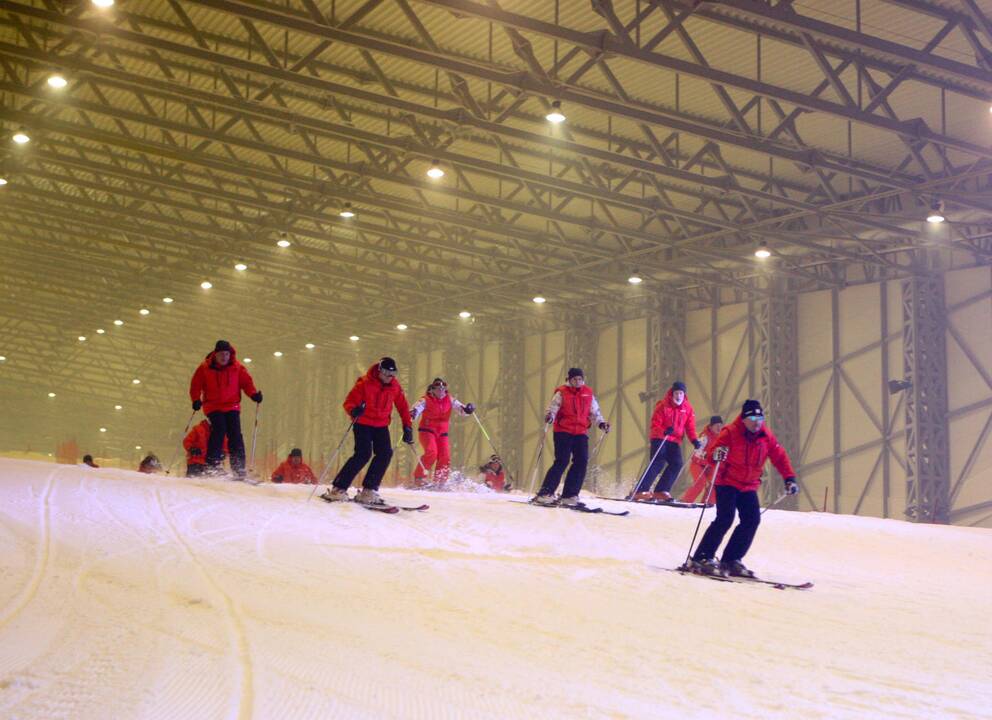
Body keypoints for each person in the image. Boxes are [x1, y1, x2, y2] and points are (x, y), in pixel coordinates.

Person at [688, 399, 799, 578]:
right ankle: (702, 557)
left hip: (748, 485)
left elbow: (779, 456)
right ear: (744, 419)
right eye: (753, 418)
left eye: (760, 418)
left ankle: (731, 559)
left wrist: (789, 478)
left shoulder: (765, 436)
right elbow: (712, 454)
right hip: (727, 482)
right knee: (725, 518)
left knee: (752, 520)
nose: (757, 422)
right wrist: (716, 455)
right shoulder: (730, 432)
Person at [321, 357, 413, 505]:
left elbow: (403, 407)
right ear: (379, 371)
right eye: (386, 373)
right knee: (363, 454)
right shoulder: (364, 383)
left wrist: (407, 426)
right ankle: (339, 488)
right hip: (363, 423)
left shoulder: (395, 387)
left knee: (385, 453)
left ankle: (369, 490)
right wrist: (354, 410)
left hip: (381, 425)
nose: (390, 377)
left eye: (393, 374)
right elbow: (349, 402)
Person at [533, 368, 610, 506]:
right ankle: (545, 493)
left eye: (580, 379)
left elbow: (594, 412)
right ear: (569, 379)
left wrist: (601, 423)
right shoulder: (562, 392)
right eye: (574, 379)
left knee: (581, 461)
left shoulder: (588, 393)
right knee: (562, 461)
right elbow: (553, 407)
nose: (577, 382)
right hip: (563, 431)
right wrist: (550, 416)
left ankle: (570, 495)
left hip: (580, 432)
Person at [188, 340, 261, 480]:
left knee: (235, 434)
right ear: (215, 354)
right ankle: (212, 465)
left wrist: (253, 394)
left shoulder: (237, 368)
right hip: (213, 406)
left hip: (232, 405)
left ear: (230, 354)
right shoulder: (205, 368)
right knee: (219, 430)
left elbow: (246, 383)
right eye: (221, 354)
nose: (224, 357)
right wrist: (196, 399)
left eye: (226, 354)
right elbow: (195, 385)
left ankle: (238, 467)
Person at [633, 381, 699, 501]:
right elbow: (655, 423)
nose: (678, 396)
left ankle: (661, 490)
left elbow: (690, 427)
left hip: (675, 440)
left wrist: (694, 440)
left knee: (677, 463)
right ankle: (640, 490)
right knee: (658, 462)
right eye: (676, 393)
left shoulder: (687, 409)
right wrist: (664, 431)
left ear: (684, 394)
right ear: (672, 393)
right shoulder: (663, 405)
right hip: (660, 438)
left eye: (681, 393)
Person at [409, 377, 475, 488]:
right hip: (427, 430)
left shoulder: (449, 399)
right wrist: (413, 413)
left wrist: (468, 409)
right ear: (432, 389)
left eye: (443, 388)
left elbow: (462, 410)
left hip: (442, 433)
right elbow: (416, 409)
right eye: (438, 388)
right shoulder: (426, 399)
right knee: (432, 452)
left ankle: (440, 481)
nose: (441, 391)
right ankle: (419, 478)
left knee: (445, 455)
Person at [679, 415, 724, 505]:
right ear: (711, 426)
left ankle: (708, 502)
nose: (719, 427)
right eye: (716, 425)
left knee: (716, 482)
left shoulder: (721, 438)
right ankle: (686, 501)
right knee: (701, 482)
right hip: (698, 464)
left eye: (720, 425)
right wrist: (708, 456)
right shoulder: (705, 437)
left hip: (710, 466)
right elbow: (697, 452)